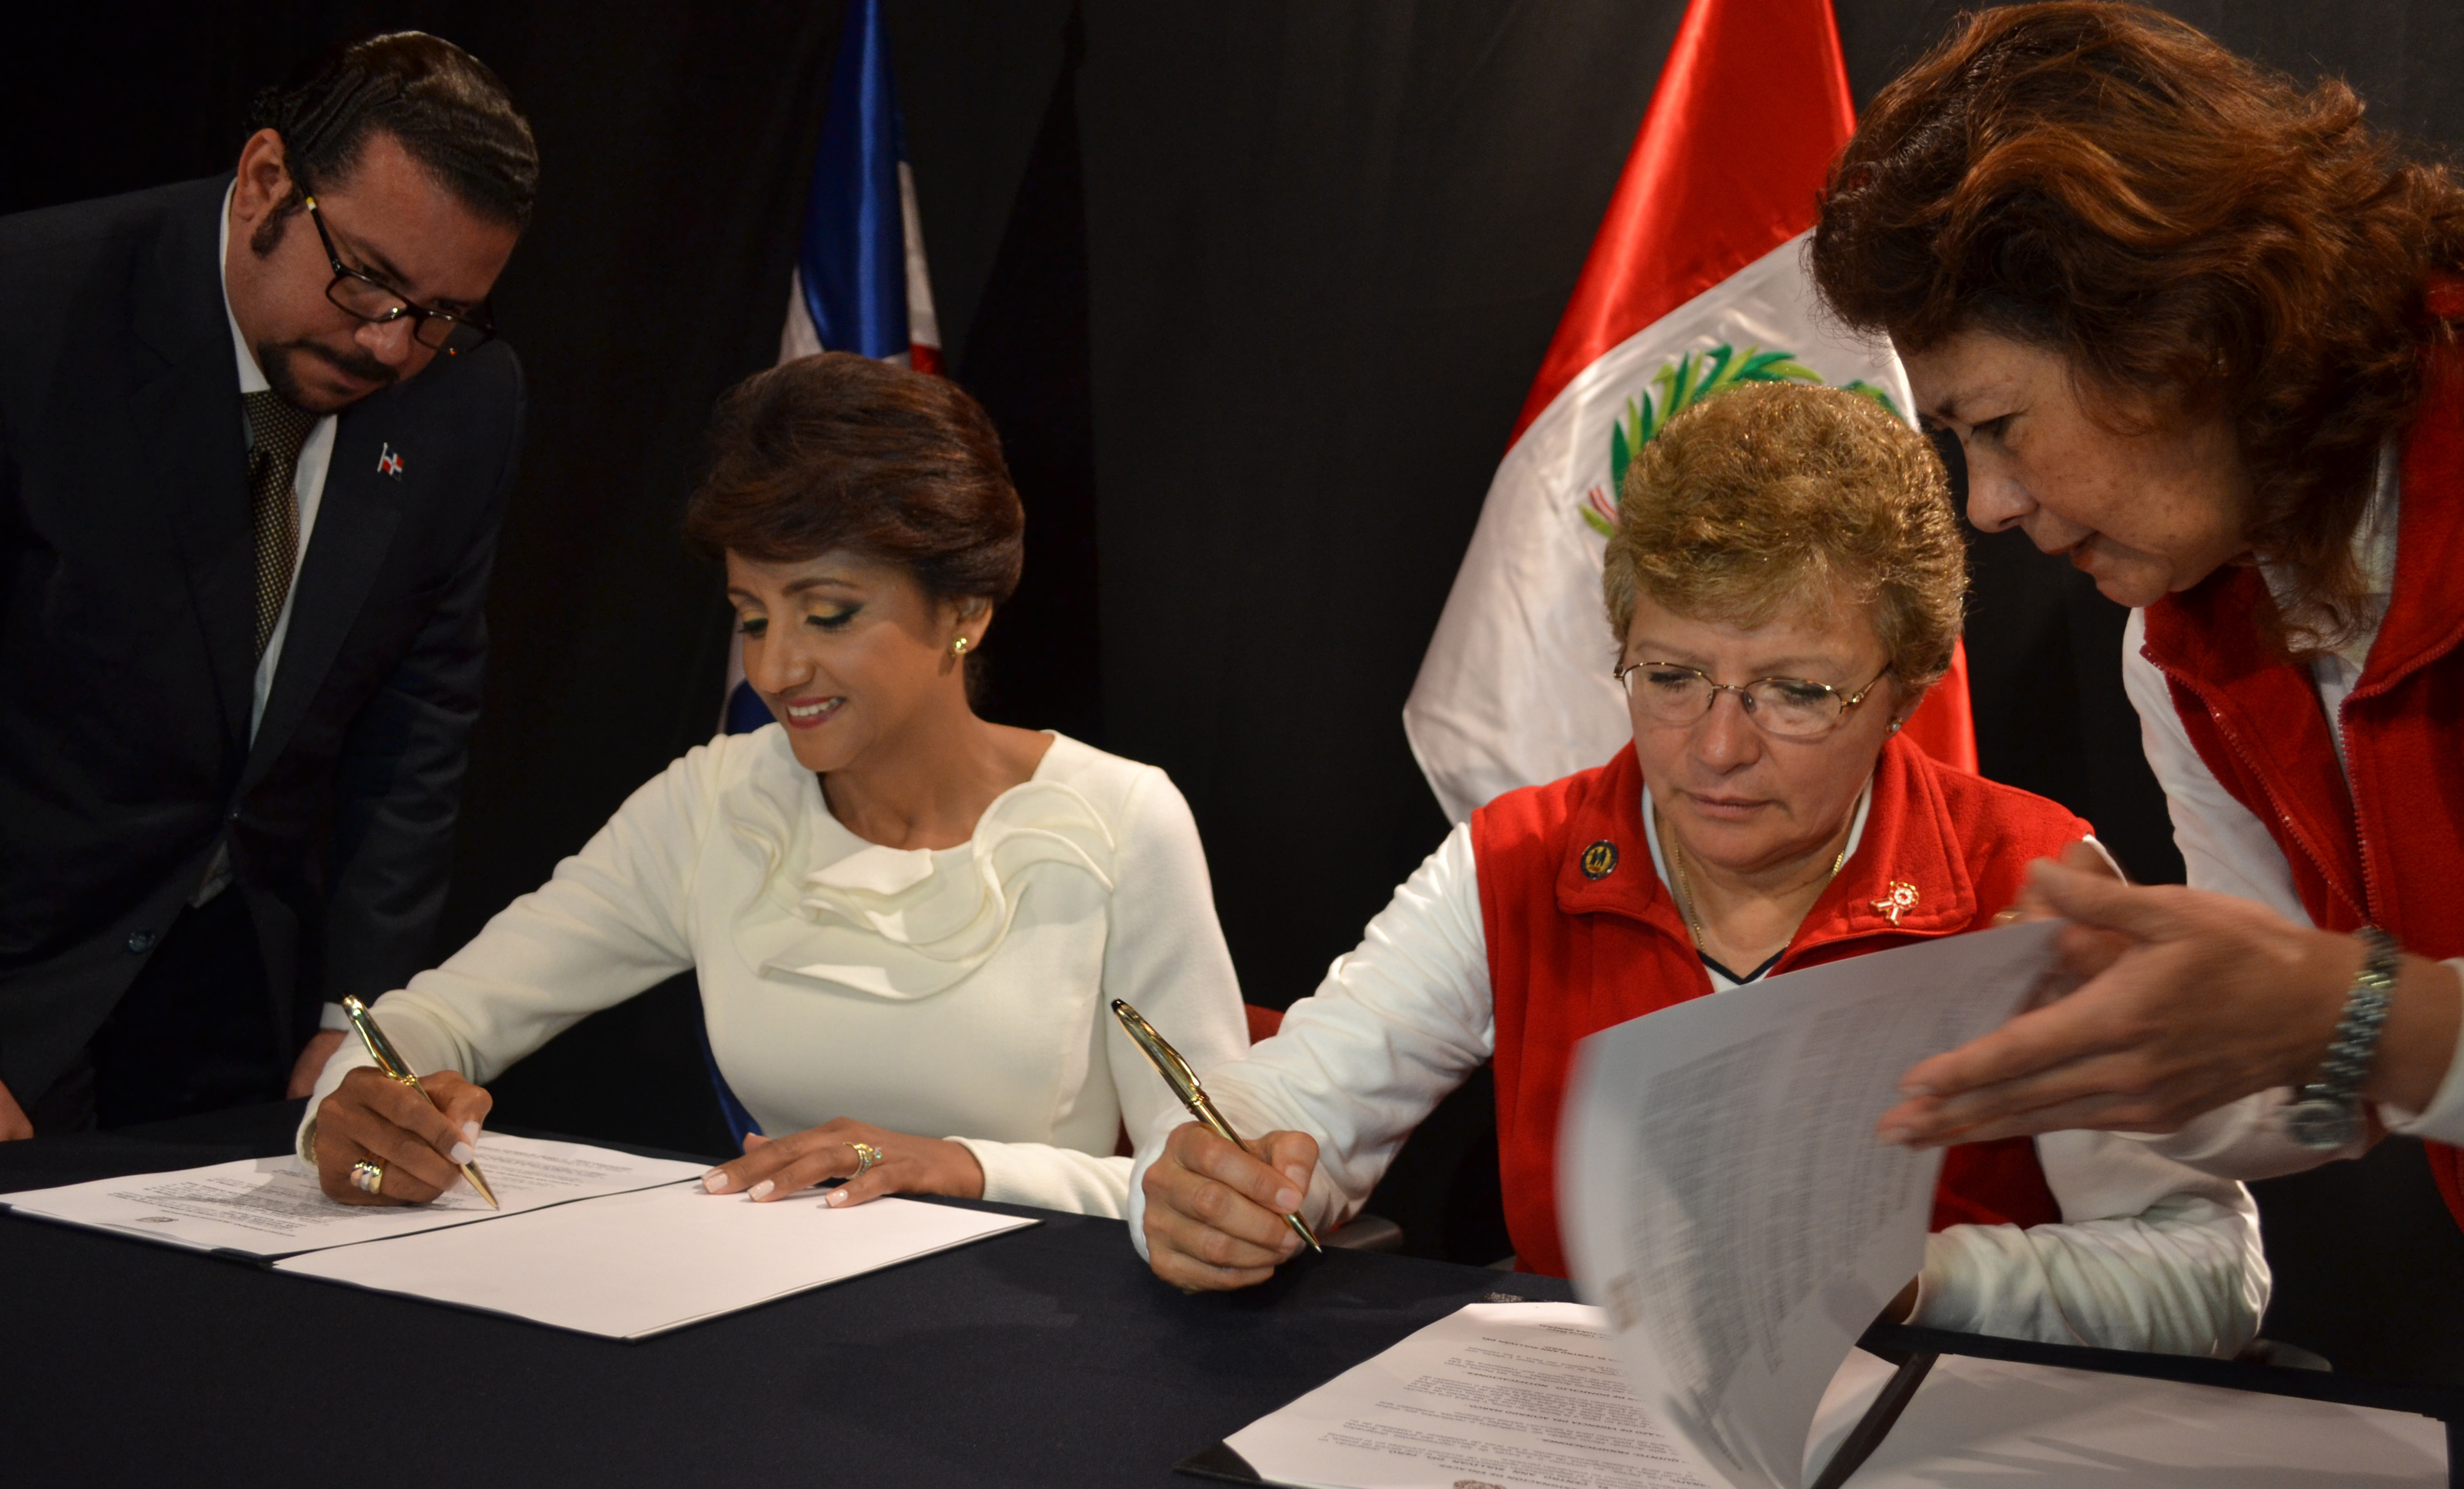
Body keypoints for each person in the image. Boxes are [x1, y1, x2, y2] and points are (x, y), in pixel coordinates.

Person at [1808, 2, 2464, 1402]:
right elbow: (2310, 1083)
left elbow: (2357, 1023)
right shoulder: (2183, 639)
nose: (1989, 506)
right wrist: (2106, 1037)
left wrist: (2364, 1014)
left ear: (2180, 334)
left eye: (1997, 426)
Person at [1135, 382, 2268, 1357]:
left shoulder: (2028, 879)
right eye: (1671, 677)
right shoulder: (1517, 859)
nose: (1717, 749)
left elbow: (2208, 1273)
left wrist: (1913, 1279)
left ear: (1906, 691)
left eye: (1795, 692)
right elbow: (1284, 1110)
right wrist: (1196, 1189)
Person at [300, 353, 1248, 1219]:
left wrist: (963, 1166)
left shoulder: (1118, 820)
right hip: (772, 1310)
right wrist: (357, 1108)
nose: (775, 668)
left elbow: (1221, 1182)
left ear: (964, 609)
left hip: (1034, 1321)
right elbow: (442, 1015)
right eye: (752, 618)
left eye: (827, 614)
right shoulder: (717, 802)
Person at [0, 34, 535, 1138]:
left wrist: (360, 1013)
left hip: (242, 997)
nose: (390, 345)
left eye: (440, 312)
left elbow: (420, 714)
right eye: (369, 279)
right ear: (264, 184)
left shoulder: (467, 396)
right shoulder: (31, 310)